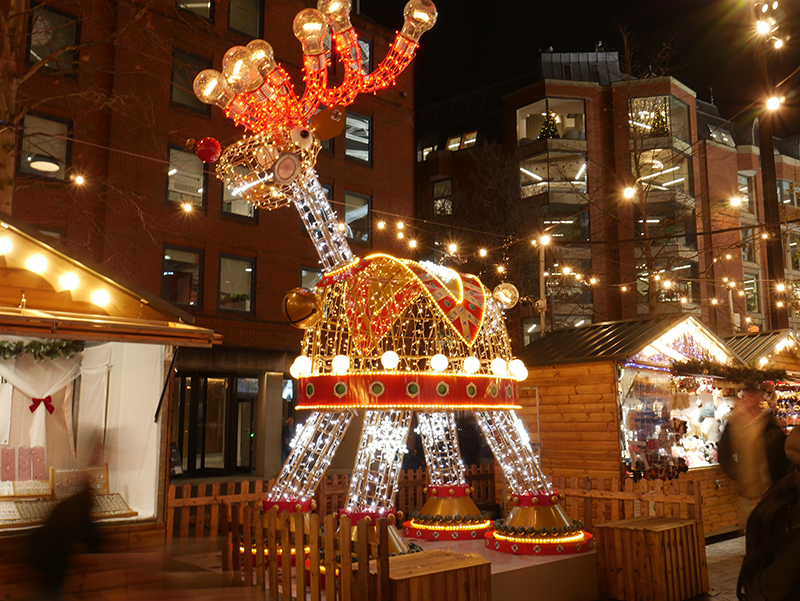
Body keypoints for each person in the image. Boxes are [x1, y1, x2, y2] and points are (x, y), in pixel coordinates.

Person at [718, 380, 791, 524]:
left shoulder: (768, 422)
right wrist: (738, 473)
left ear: (759, 397)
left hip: (771, 489)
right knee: (754, 531)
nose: (751, 398)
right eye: (748, 395)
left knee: (773, 531)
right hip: (749, 490)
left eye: (754, 394)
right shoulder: (734, 423)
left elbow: (781, 451)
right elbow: (724, 454)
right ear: (743, 397)